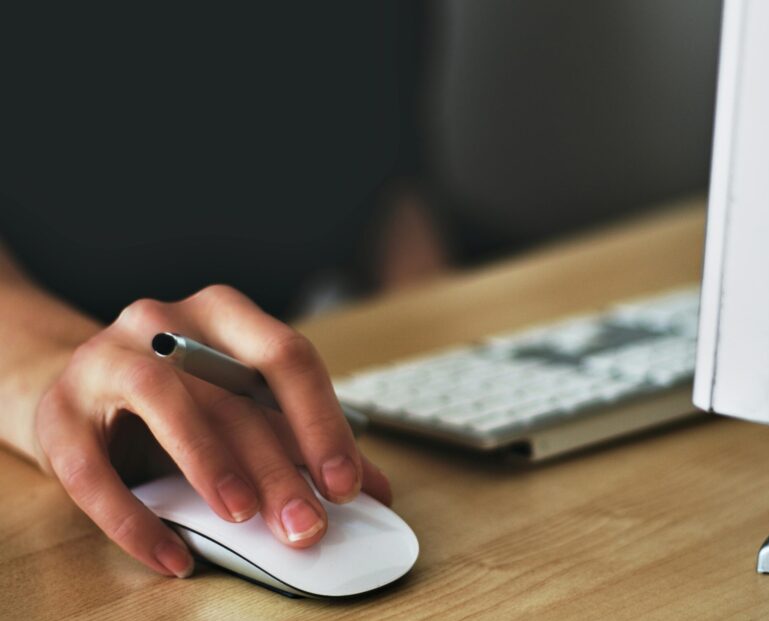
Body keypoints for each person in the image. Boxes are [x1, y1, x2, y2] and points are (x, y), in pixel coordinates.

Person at [0, 4, 439, 579]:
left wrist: (443, 342)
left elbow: (393, 178)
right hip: (65, 350)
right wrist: (53, 372)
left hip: (281, 375)